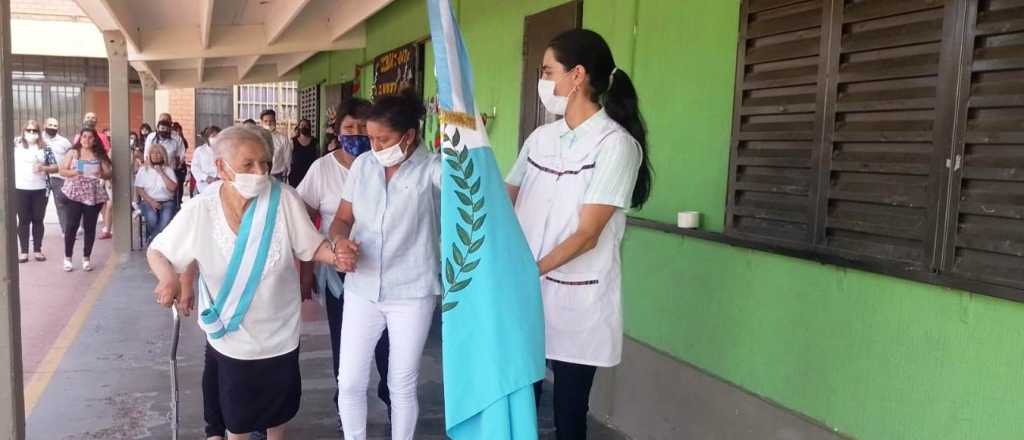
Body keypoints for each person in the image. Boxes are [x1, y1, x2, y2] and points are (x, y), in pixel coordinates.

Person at [505, 29, 652, 440]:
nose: (543, 80)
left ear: (577, 76)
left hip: (577, 296)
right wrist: (465, 160)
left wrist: (529, 270)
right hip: (528, 291)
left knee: (568, 413)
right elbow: (507, 199)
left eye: (548, 70)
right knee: (520, 403)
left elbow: (588, 234)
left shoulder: (615, 145)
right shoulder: (540, 138)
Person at [148, 126, 338, 440]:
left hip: (279, 331)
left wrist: (337, 256)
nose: (260, 172)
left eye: (265, 163)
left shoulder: (284, 199)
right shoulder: (202, 208)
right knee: (238, 420)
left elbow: (312, 246)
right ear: (221, 167)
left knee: (278, 413)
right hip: (231, 333)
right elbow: (158, 251)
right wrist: (170, 280)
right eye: (248, 164)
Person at [329, 89, 440, 440]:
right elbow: (342, 219)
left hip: (413, 291)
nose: (374, 147)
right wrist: (339, 242)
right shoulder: (363, 166)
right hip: (362, 287)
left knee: (401, 383)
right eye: (370, 138)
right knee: (349, 381)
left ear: (408, 136)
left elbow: (472, 188)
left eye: (383, 139)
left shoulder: (435, 170)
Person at [295, 99, 390, 434]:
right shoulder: (323, 168)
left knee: (388, 343)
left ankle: (391, 397)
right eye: (350, 128)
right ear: (338, 131)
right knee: (346, 341)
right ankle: (347, 406)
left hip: (387, 270)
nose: (358, 134)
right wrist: (306, 269)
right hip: (339, 270)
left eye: (365, 127)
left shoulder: (387, 163)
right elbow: (302, 216)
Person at [59, 127, 112, 272]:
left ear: (95, 140)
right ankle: (68, 257)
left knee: (90, 227)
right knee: (71, 226)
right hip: (74, 193)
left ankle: (86, 258)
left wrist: (101, 172)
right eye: (84, 137)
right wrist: (75, 172)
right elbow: (62, 170)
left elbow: (108, 174)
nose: (86, 140)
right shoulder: (73, 152)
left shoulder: (99, 154)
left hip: (92, 195)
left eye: (90, 137)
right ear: (79, 138)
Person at [14, 120, 57, 263]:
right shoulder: (16, 145)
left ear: (39, 133)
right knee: (23, 220)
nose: (31, 133)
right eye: (29, 130)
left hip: (40, 189)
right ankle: (24, 251)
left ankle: (38, 250)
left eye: (34, 131)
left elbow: (55, 167)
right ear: (24, 131)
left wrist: (44, 168)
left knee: (38, 220)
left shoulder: (45, 148)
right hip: (20, 188)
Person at [135, 143, 178, 242]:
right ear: (149, 155)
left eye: (158, 153)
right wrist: (152, 202)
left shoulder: (168, 170)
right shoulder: (143, 170)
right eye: (153, 153)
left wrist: (161, 173)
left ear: (163, 155)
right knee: (152, 218)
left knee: (165, 220)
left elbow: (172, 188)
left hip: (167, 201)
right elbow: (139, 189)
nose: (155, 155)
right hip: (148, 201)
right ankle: (158, 243)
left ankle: (152, 240)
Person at [43, 117, 73, 236]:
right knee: (40, 206)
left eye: (55, 126)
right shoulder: (39, 139)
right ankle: (36, 233)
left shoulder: (64, 142)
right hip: (41, 178)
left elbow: (72, 157)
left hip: (59, 177)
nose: (53, 127)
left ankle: (66, 231)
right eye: (50, 125)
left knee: (61, 204)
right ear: (44, 125)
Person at [260, 110, 292, 182]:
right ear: (261, 122)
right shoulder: (257, 138)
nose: (268, 123)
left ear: (275, 122)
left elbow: (287, 158)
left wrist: (286, 174)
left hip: (278, 176)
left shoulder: (283, 139)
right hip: (261, 175)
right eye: (266, 121)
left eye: (271, 121)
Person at [192, 126, 222, 194]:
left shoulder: (224, 150)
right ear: (207, 138)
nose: (216, 138)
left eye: (217, 136)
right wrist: (206, 177)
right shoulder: (200, 150)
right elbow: (195, 168)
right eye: (213, 136)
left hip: (220, 184)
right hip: (204, 185)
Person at [288, 118, 317, 187]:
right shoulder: (292, 141)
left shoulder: (315, 141)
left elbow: (318, 156)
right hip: (295, 174)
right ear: (298, 127)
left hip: (310, 174)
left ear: (309, 127)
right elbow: (288, 158)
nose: (304, 127)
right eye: (302, 125)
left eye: (306, 125)